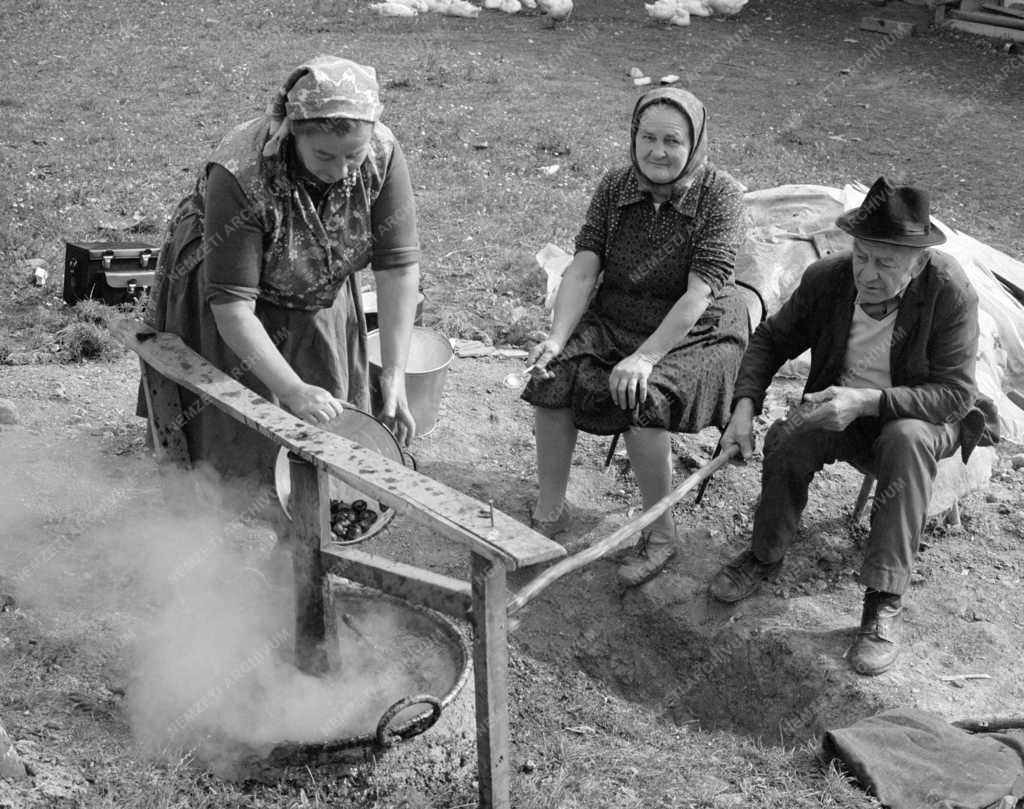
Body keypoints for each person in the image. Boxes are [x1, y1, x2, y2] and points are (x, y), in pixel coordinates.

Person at [707, 176, 998, 676]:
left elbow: (955, 393)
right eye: (862, 256)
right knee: (789, 436)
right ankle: (764, 554)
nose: (868, 273)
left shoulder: (949, 293)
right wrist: (744, 405)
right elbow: (771, 341)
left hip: (925, 418)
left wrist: (867, 401)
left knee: (905, 439)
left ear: (918, 262)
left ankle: (883, 599)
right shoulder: (829, 279)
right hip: (845, 404)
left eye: (886, 263)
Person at [142, 55, 421, 491]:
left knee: (323, 404)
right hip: (228, 289)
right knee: (238, 419)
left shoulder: (382, 152)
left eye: (353, 155)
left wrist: (394, 375)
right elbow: (233, 309)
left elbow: (398, 269)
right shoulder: (241, 173)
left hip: (318, 273)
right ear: (293, 132)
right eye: (324, 155)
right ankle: (225, 500)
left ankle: (306, 497)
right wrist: (292, 390)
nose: (341, 171)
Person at [521, 87, 750, 587]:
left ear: (695, 143)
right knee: (551, 377)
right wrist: (557, 338)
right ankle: (549, 510)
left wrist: (645, 358)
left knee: (642, 400)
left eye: (672, 140)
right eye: (648, 138)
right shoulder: (615, 185)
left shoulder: (720, 195)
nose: (657, 152)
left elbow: (699, 293)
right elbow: (584, 267)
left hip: (698, 328)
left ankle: (661, 534)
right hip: (619, 311)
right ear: (634, 137)